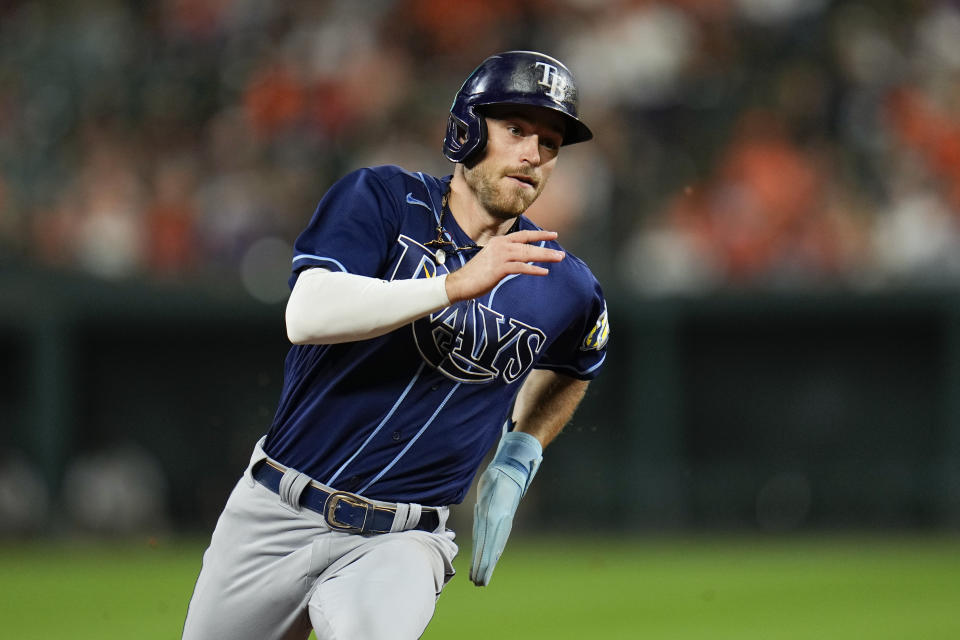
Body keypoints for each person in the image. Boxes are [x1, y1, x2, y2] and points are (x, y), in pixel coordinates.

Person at [182, 50, 610, 640]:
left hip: (400, 542)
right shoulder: (383, 200)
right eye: (515, 129)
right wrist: (455, 285)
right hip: (275, 510)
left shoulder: (562, 282)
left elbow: (578, 362)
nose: (533, 154)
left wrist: (519, 454)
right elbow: (307, 312)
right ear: (466, 129)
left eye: (550, 142)